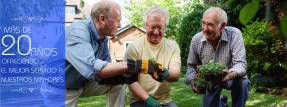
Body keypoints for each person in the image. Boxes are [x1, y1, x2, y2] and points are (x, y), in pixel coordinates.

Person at [41, 1, 162, 107]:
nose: (120, 25)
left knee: (118, 82)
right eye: (118, 21)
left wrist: (141, 69)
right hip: (59, 90)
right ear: (102, 19)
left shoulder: (103, 38)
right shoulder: (77, 32)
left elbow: (107, 68)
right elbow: (94, 69)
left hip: (83, 83)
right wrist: (137, 65)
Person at [184, 7, 250, 107]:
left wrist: (231, 75)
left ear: (222, 26)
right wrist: (193, 81)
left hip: (231, 77)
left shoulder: (234, 34)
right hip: (210, 80)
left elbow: (241, 64)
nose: (205, 28)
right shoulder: (196, 40)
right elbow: (191, 66)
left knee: (242, 82)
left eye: (210, 24)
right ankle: (222, 104)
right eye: (203, 23)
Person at [124, 5, 181, 107]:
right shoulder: (134, 47)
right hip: (139, 99)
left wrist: (167, 73)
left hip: (165, 99)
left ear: (165, 27)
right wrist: (149, 100)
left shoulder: (173, 46)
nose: (156, 32)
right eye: (152, 27)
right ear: (145, 25)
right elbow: (130, 80)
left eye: (160, 27)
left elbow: (176, 74)